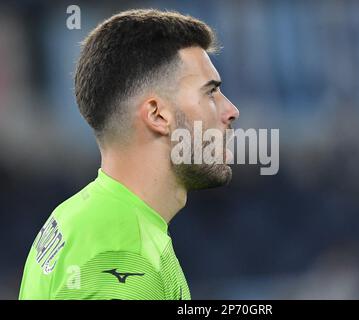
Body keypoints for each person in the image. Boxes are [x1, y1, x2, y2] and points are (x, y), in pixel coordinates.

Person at [19, 8, 239, 300]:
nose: (231, 111)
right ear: (157, 115)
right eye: (210, 93)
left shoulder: (76, 216)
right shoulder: (124, 257)